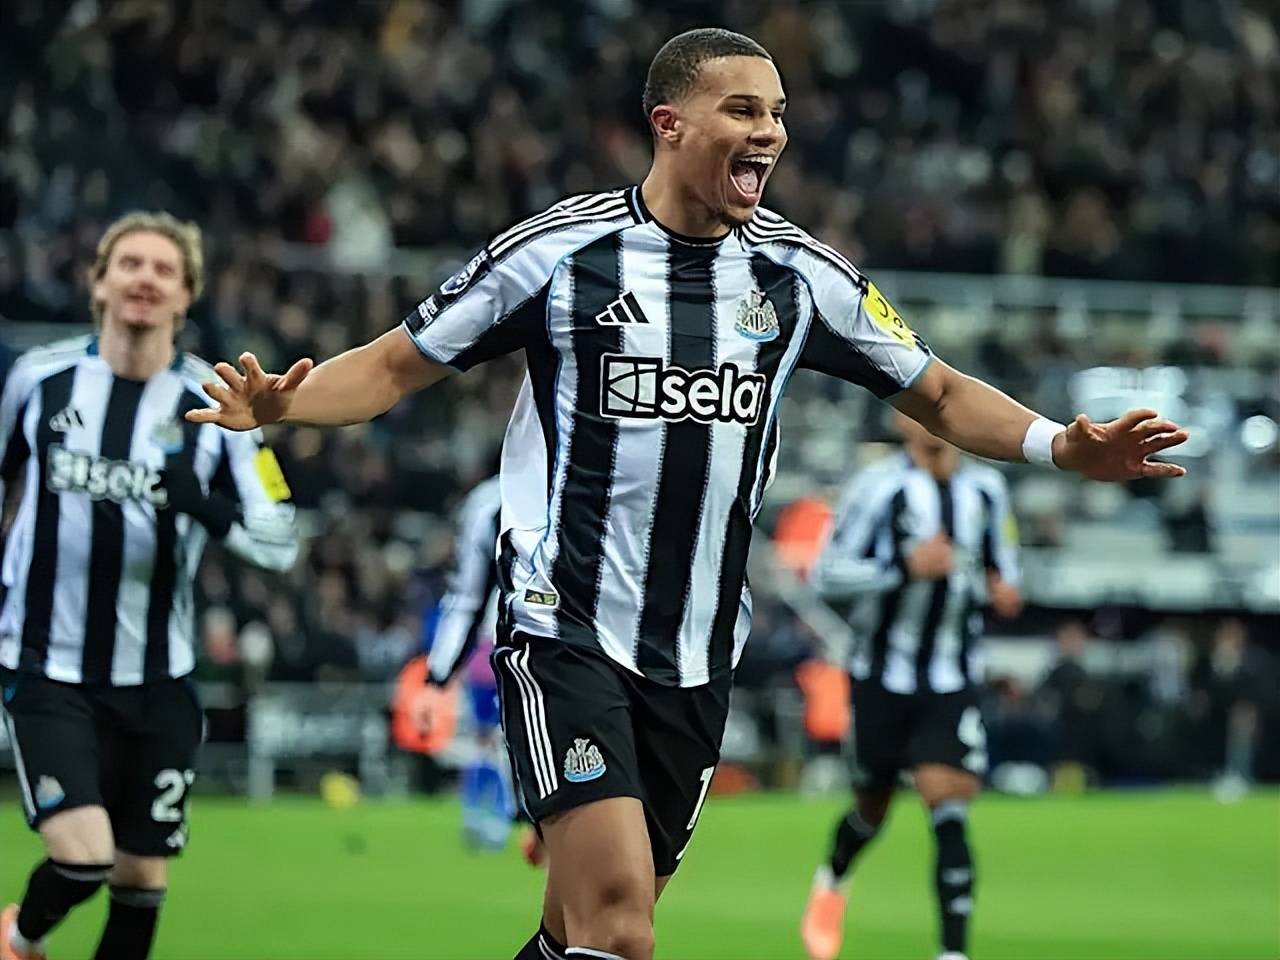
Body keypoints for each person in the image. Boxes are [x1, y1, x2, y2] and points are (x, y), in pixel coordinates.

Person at [186, 28, 1189, 960]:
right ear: (668, 124)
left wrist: (1060, 445)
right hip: (564, 624)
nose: (770, 133)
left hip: (698, 652)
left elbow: (936, 391)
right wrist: (289, 403)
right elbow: (396, 365)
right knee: (621, 925)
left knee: (575, 929)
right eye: (743, 110)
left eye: (778, 113)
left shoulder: (800, 276)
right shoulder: (558, 256)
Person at [0, 212, 299, 960]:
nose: (145, 279)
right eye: (129, 264)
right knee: (84, 858)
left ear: (186, 295)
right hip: (47, 666)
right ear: (98, 283)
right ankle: (19, 938)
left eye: (165, 269)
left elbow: (281, 539)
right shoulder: (38, 380)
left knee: (139, 881)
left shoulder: (218, 405)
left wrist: (200, 502)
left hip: (159, 681)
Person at [800, 415, 1023, 960]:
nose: (937, 422)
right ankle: (833, 878)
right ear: (902, 420)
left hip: (952, 676)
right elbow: (827, 573)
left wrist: (1005, 589)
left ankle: (952, 952)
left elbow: (1007, 568)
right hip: (881, 674)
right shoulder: (876, 487)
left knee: (948, 806)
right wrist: (903, 566)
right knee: (872, 806)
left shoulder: (987, 490)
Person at [410, 473, 543, 862]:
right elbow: (467, 595)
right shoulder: (492, 503)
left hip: (495, 647)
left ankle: (495, 818)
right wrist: (438, 676)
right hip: (504, 648)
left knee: (491, 739)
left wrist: (439, 676)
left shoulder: (487, 502)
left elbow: (464, 594)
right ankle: (506, 816)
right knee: (498, 739)